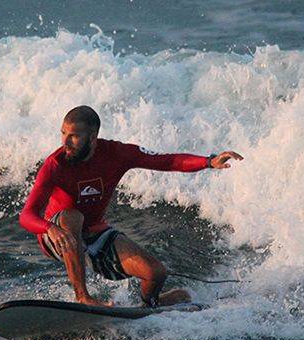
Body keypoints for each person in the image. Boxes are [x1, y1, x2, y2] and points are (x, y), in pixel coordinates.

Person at [19, 105, 243, 307]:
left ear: (93, 136)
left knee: (155, 273)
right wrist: (50, 229)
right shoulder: (55, 164)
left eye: (74, 136)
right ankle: (83, 296)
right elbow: (27, 215)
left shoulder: (116, 154)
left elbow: (166, 161)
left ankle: (152, 304)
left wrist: (208, 162)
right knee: (72, 217)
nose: (65, 142)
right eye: (63, 133)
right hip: (59, 235)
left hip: (95, 235)